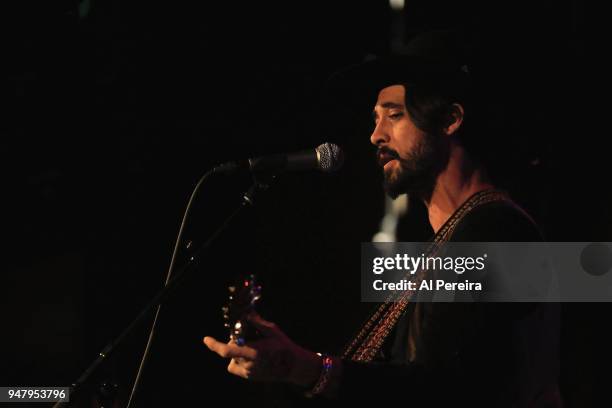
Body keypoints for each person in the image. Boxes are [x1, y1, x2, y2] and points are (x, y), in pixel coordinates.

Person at [203, 30, 561, 407]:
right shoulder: (455, 239)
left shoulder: (494, 229)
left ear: (451, 119)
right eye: (375, 119)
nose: (375, 135)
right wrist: (292, 365)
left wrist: (306, 368)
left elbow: (443, 389)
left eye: (394, 115)